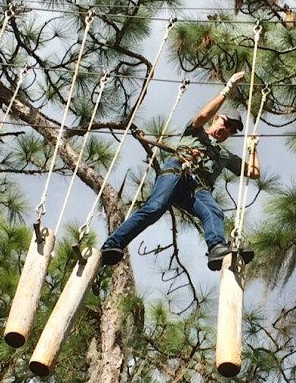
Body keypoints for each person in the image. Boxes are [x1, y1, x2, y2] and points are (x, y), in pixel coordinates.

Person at [101, 71, 261, 271]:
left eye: (232, 130)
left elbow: (253, 172)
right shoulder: (196, 132)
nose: (227, 130)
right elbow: (202, 116)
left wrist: (253, 149)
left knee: (214, 211)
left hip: (197, 188)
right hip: (178, 171)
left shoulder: (224, 155)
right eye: (226, 124)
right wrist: (227, 89)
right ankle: (113, 244)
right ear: (217, 118)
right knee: (155, 208)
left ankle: (216, 248)